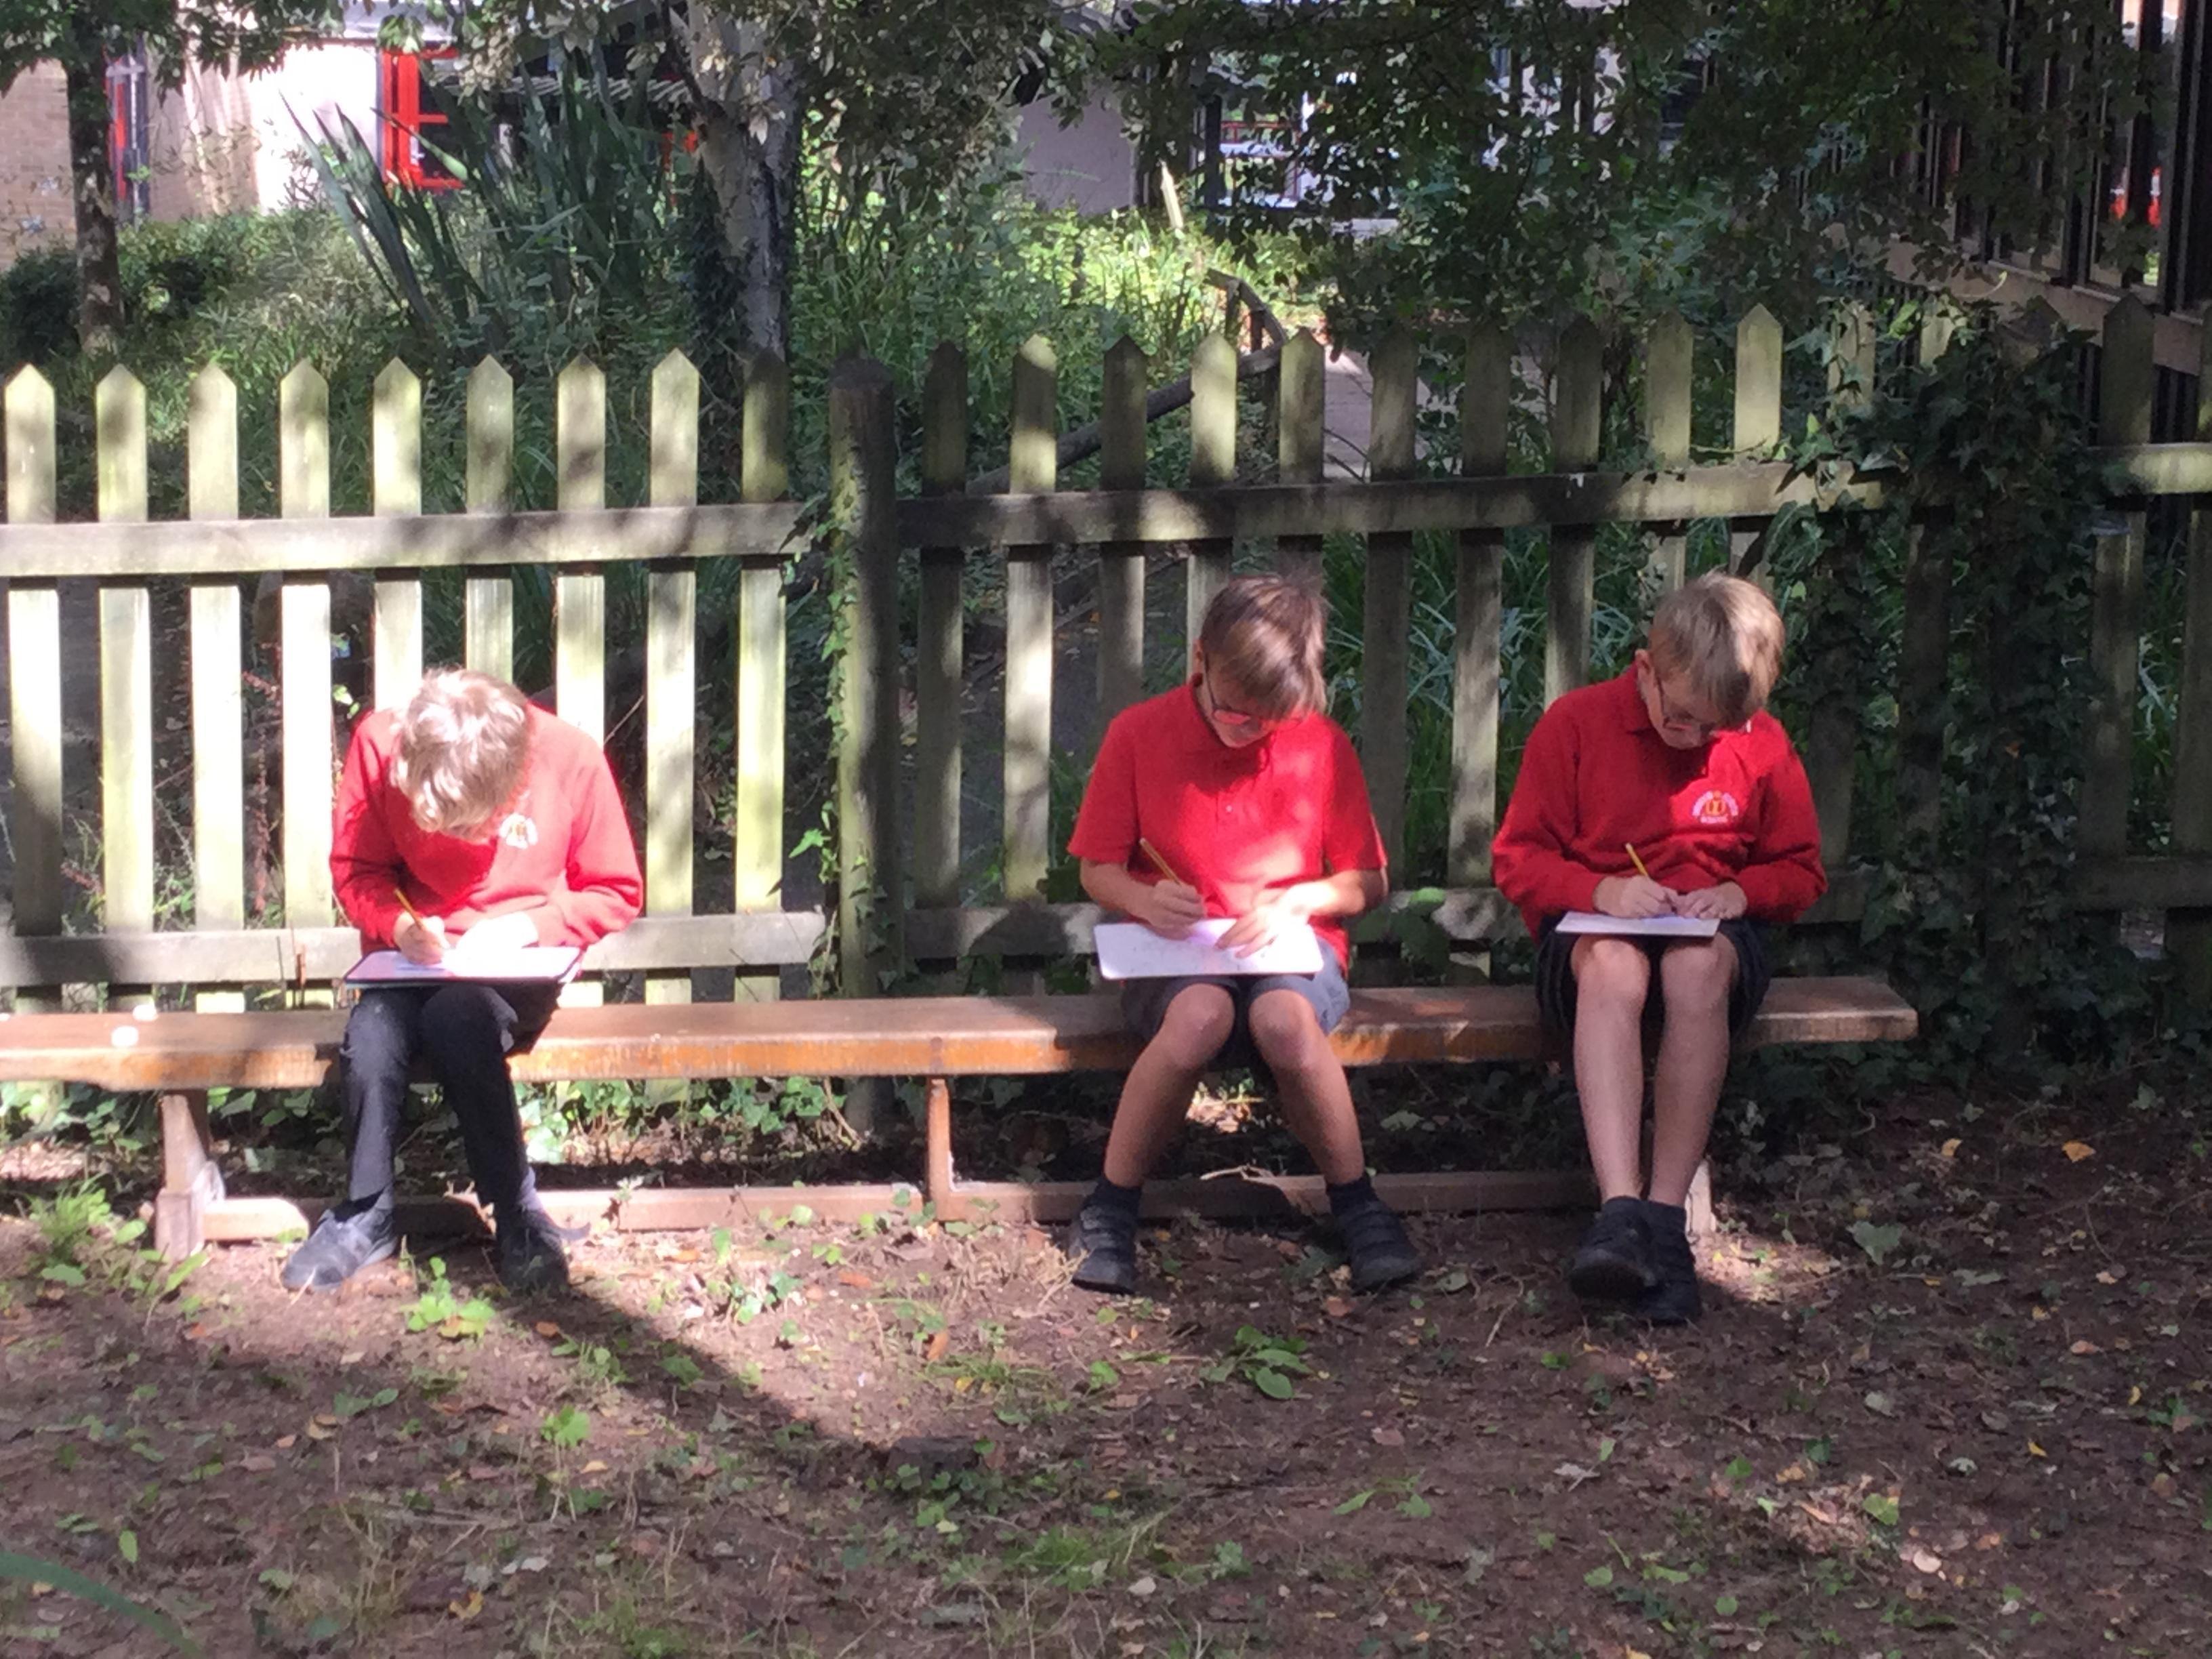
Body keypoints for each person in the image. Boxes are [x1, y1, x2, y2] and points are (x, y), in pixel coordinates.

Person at [1062, 574, 1417, 1296]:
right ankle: (1110, 1205)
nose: (1246, 730)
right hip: (1174, 949)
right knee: (1200, 1017)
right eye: (1232, 711)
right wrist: (1143, 897)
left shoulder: (1318, 744)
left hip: (1290, 944)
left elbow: (1368, 880)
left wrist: (1303, 900)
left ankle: (1358, 1204)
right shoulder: (1139, 734)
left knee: (1285, 1022)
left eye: (1267, 721)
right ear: (1199, 659)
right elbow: (1097, 870)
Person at [1492, 573, 1825, 1324]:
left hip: (1713, 941)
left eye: (1716, 729)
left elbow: (1801, 871)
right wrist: (1599, 891)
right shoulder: (1577, 724)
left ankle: (1665, 1223)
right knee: (1614, 964)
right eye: (1681, 719)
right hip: (1590, 941)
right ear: (1645, 669)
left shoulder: (1761, 744)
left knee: (1696, 967)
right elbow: (1517, 859)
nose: (1696, 738)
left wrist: (1741, 892)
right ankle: (1619, 1214)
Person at [281, 670, 643, 1294]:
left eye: (466, 824)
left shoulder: (569, 757)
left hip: (518, 964)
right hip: (410, 962)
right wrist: (398, 926)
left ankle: (517, 1212)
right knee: (371, 1033)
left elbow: (616, 890)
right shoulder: (378, 745)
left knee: (458, 1018)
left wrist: (530, 927)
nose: (451, 839)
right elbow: (359, 872)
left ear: (511, 782)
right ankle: (366, 1213)